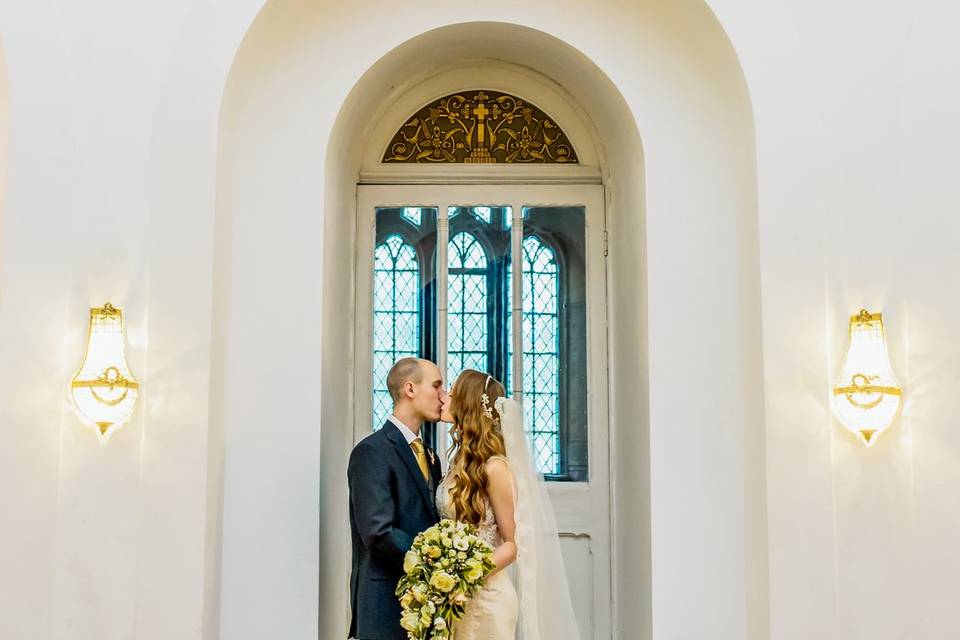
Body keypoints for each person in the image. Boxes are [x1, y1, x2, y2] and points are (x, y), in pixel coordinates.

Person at [437, 370, 581, 640]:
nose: (444, 397)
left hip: (487, 599)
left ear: (467, 405)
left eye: (453, 392)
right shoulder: (460, 461)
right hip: (454, 598)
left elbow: (514, 543)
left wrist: (466, 575)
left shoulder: (495, 468)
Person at [348, 358, 445, 640]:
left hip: (425, 605)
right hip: (385, 604)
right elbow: (378, 532)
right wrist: (435, 563)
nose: (442, 395)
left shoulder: (430, 456)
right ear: (410, 389)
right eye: (436, 385)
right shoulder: (372, 451)